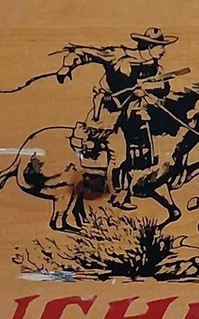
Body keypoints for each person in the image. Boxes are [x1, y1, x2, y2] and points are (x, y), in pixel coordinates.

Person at [56, 28, 178, 210]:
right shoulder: (119, 56)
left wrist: (147, 89)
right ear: (150, 46)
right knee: (119, 156)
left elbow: (163, 87)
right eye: (161, 47)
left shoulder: (155, 67)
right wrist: (66, 68)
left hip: (133, 114)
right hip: (109, 115)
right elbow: (83, 53)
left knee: (148, 149)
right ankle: (117, 196)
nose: (164, 51)